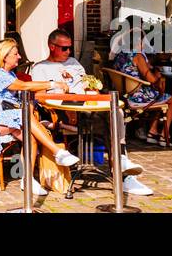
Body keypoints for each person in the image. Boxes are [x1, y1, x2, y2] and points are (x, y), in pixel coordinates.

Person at [33, 29, 150, 195]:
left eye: (69, 48)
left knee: (115, 113)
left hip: (86, 106)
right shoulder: (41, 68)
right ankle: (121, 173)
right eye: (64, 48)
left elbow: (87, 81)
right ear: (52, 47)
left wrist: (91, 87)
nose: (68, 52)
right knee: (107, 122)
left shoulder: (73, 62)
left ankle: (122, 164)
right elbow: (39, 96)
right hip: (63, 111)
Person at [0, 38, 79, 196]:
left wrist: (42, 94)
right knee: (24, 115)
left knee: (31, 137)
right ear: (4, 56)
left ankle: (27, 180)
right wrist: (52, 84)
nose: (20, 57)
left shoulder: (9, 74)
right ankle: (57, 152)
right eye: (16, 54)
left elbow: (23, 92)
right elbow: (22, 86)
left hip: (5, 117)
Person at [110, 20, 172, 146]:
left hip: (126, 94)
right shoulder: (138, 56)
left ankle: (152, 131)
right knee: (171, 98)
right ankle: (164, 136)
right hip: (137, 97)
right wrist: (158, 75)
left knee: (159, 94)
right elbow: (151, 80)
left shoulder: (121, 54)